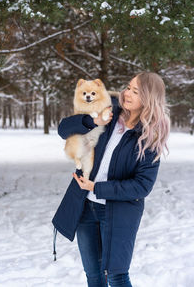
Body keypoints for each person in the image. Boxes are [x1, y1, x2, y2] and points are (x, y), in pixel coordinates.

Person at [52, 72, 170, 287]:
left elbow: (142, 186)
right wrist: (92, 120)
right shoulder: (108, 111)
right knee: (93, 275)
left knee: (116, 276)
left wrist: (97, 187)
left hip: (118, 213)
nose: (127, 93)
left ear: (149, 98)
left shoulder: (151, 136)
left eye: (136, 91)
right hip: (85, 206)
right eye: (128, 87)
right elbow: (63, 129)